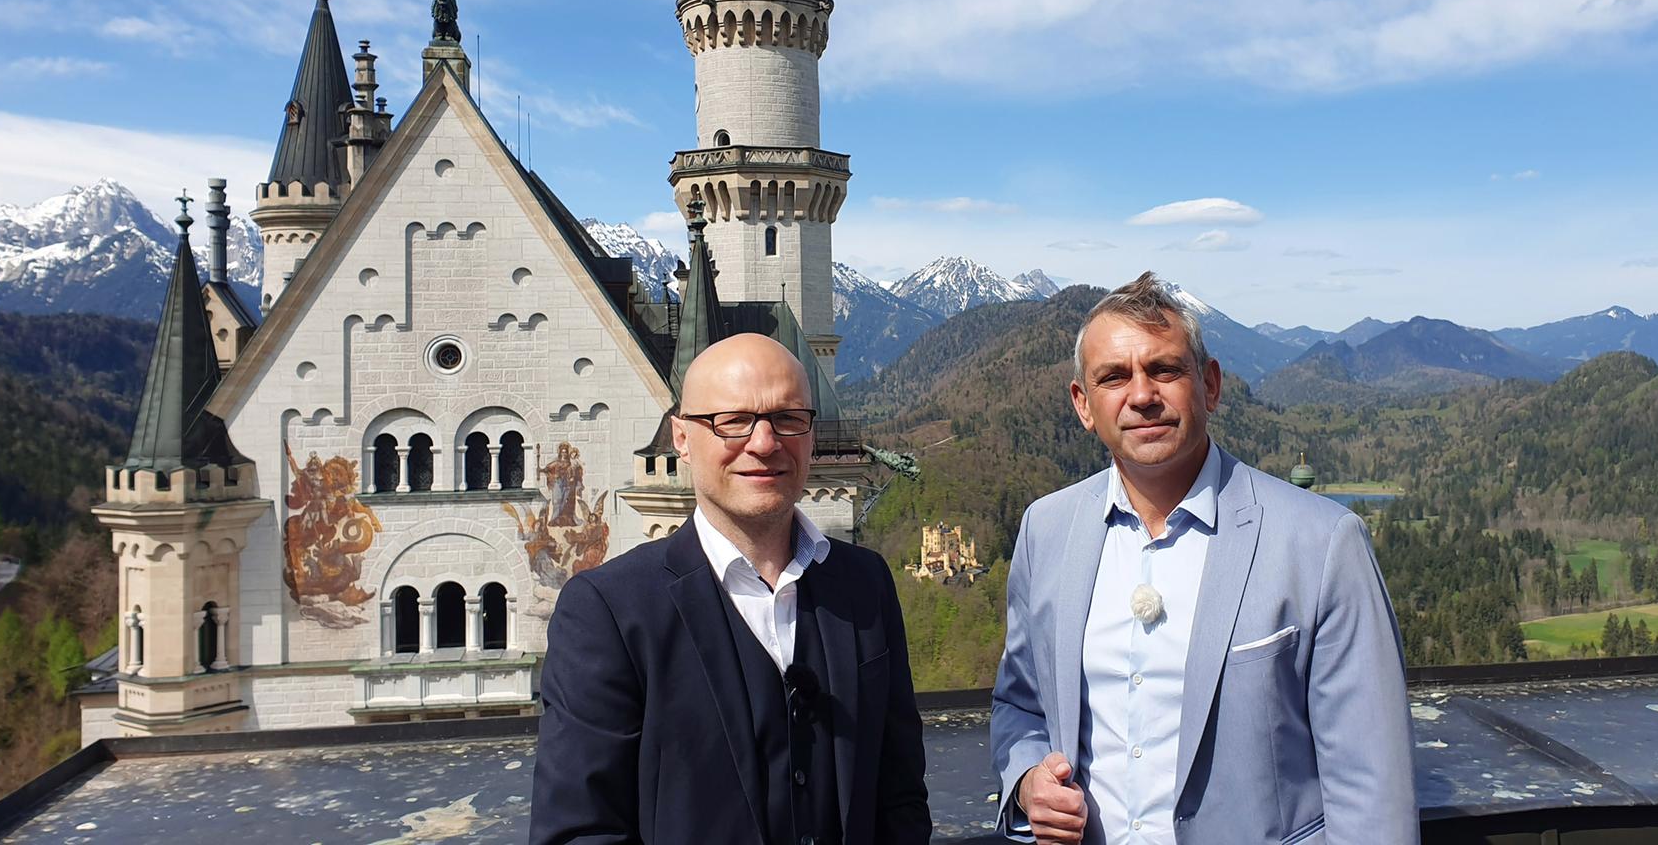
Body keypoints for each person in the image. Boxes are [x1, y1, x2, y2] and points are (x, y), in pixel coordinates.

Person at [990, 274, 1416, 844]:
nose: (1142, 395)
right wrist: (1028, 781)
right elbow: (1020, 704)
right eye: (1113, 377)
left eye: (1164, 370)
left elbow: (1372, 787)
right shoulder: (1046, 531)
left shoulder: (1321, 542)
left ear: (1210, 385)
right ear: (1083, 405)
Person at [530, 333, 931, 845]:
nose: (764, 443)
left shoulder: (864, 583)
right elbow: (580, 831)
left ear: (810, 434)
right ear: (681, 438)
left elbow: (899, 794)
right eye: (733, 421)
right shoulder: (609, 611)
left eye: (788, 418)